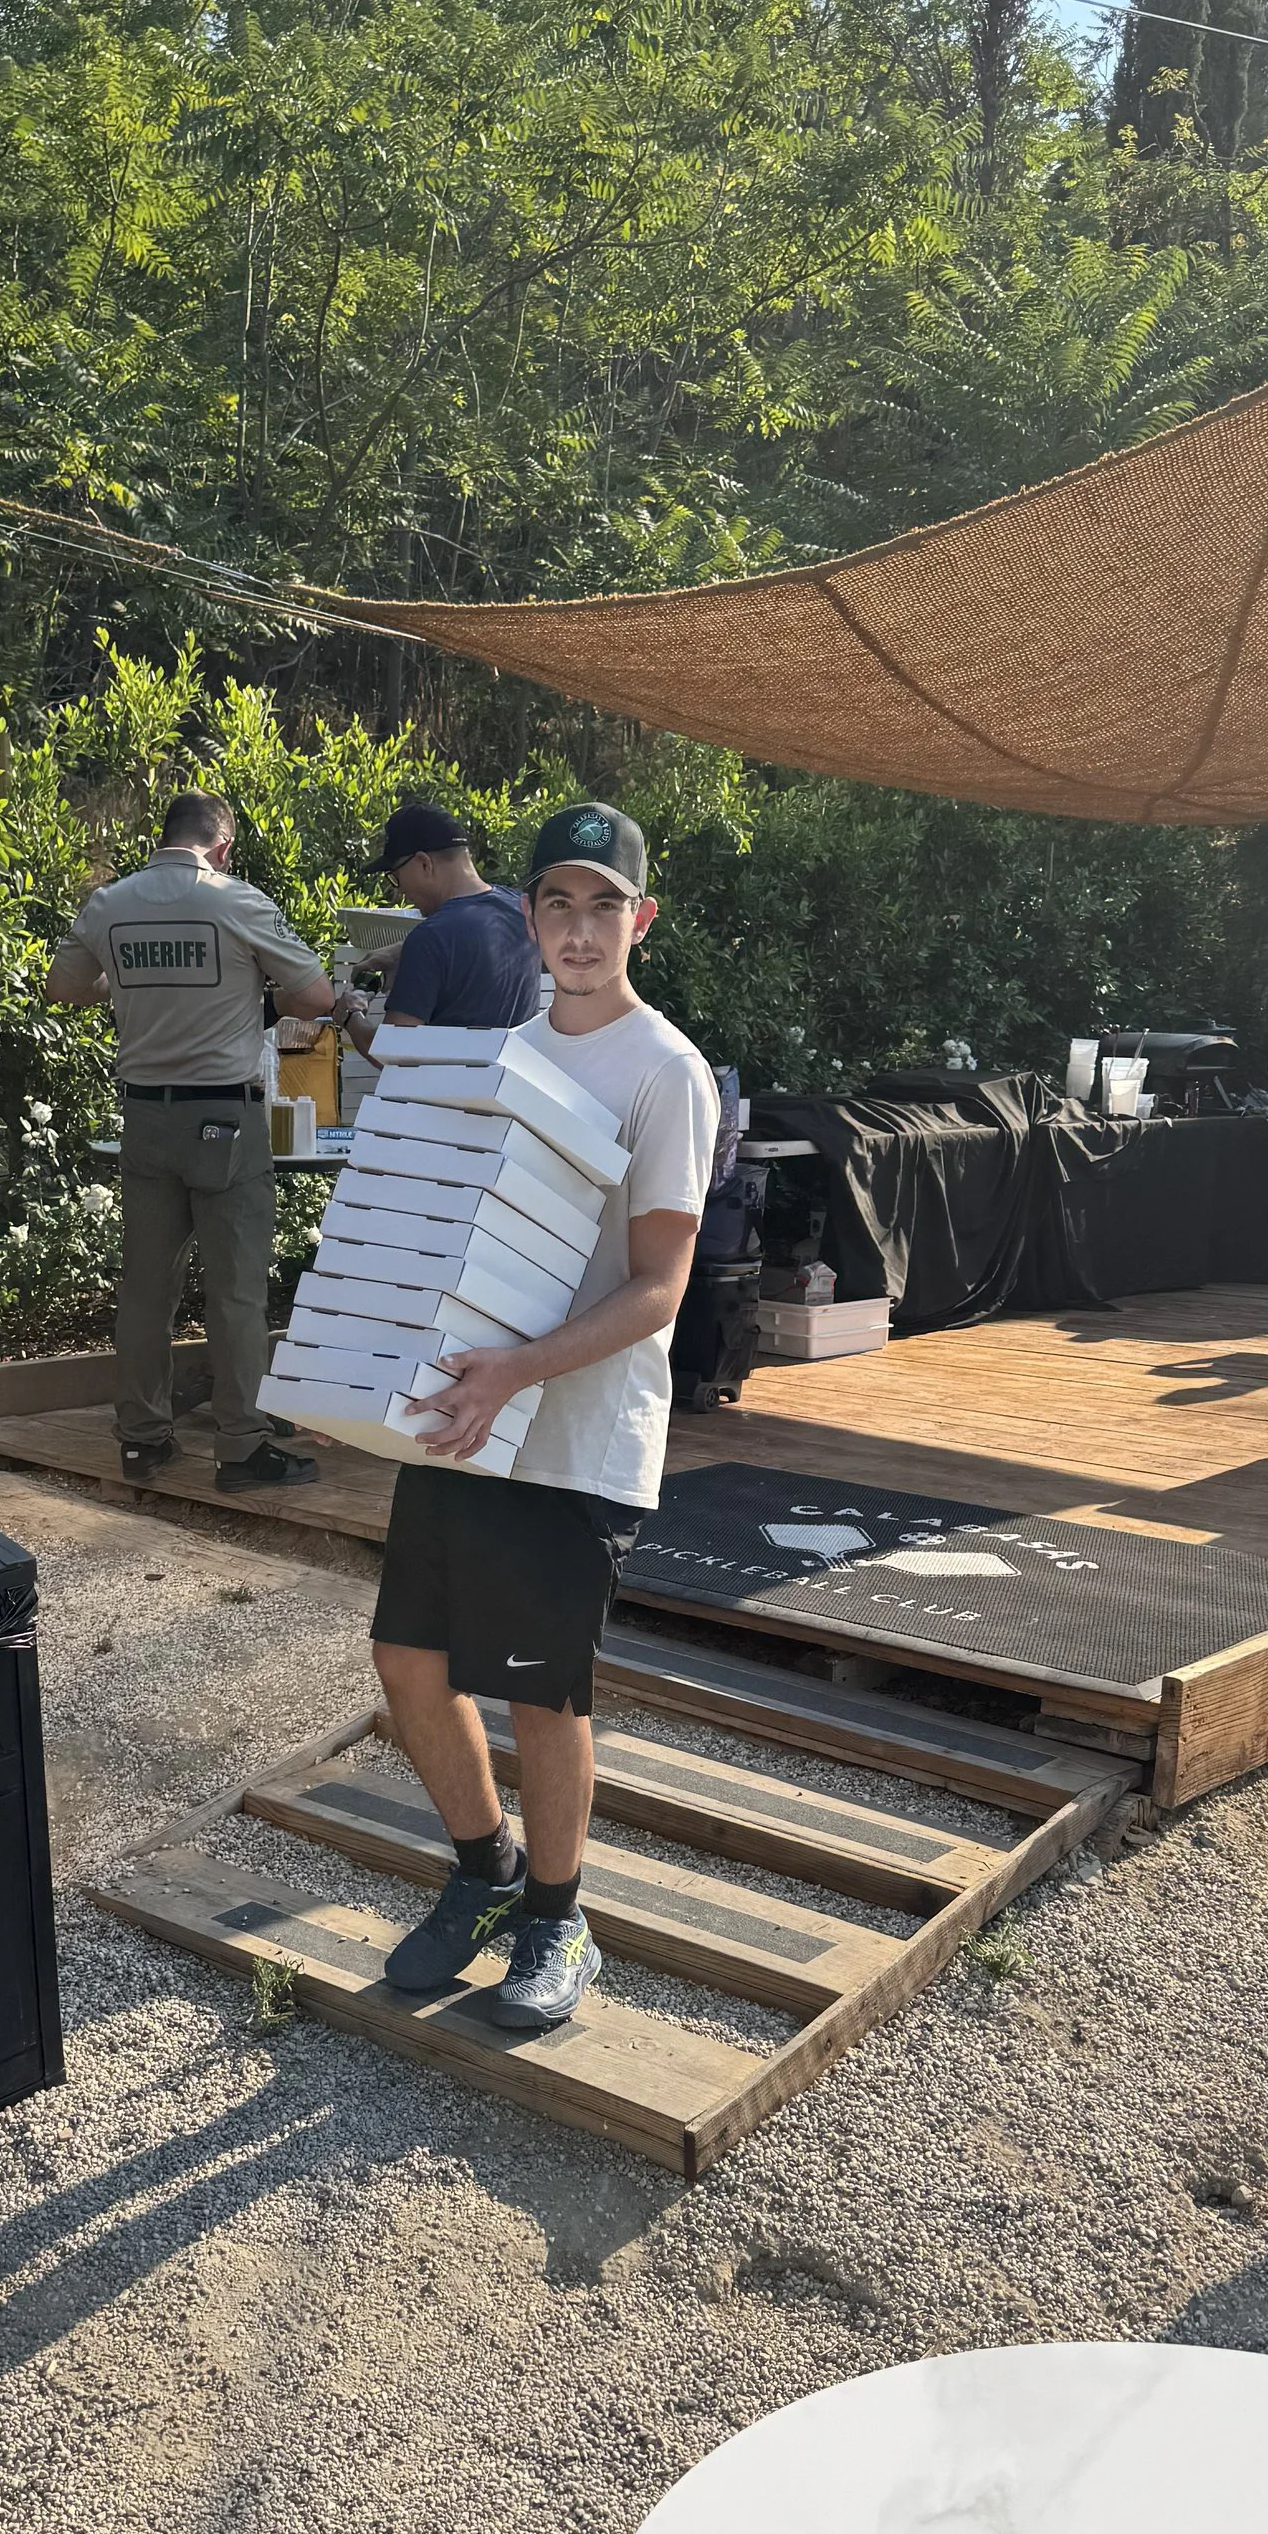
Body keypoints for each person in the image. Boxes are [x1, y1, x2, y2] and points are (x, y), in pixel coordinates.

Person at [366, 800, 719, 2031]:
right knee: (407, 1662)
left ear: (641, 920)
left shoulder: (663, 1072)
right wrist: (362, 1368)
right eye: (557, 905)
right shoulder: (504, 1050)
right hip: (467, 1415)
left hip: (572, 1435)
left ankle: (560, 1918)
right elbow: (442, 1231)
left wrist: (518, 1372)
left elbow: (659, 1286)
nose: (579, 929)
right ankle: (485, 1874)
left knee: (537, 1689)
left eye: (603, 905)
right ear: (526, 919)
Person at [46, 788, 335, 1491]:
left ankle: (142, 1440)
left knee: (146, 1288)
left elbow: (62, 987)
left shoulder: (109, 904)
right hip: (225, 1120)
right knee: (235, 1291)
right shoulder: (237, 901)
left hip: (145, 1116)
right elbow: (318, 998)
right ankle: (240, 1448)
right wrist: (251, 996)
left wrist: (136, 992)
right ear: (222, 845)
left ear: (164, 837)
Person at [340, 802, 543, 1052]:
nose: (399, 890)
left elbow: (394, 1055)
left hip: (447, 1089)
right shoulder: (523, 910)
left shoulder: (431, 938)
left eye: (396, 876)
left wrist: (351, 1016)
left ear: (424, 863)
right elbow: (472, 943)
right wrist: (402, 951)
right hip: (512, 1085)